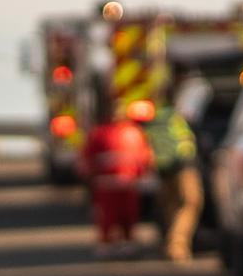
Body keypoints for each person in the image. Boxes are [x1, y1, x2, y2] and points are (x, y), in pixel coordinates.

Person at [83, 99, 155, 256]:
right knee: (109, 216)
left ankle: (127, 242)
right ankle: (107, 243)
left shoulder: (132, 132)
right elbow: (88, 157)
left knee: (128, 214)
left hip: (127, 183)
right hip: (108, 184)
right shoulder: (102, 133)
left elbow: (143, 156)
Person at [152, 95, 203, 263]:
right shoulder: (179, 115)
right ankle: (177, 245)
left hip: (163, 167)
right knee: (191, 202)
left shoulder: (155, 118)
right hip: (184, 165)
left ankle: (171, 243)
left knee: (171, 205)